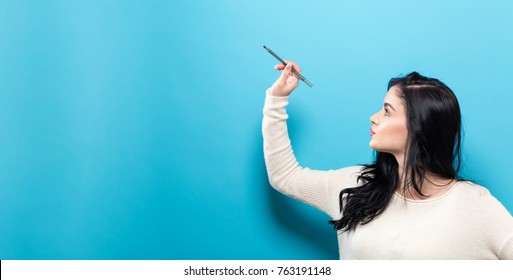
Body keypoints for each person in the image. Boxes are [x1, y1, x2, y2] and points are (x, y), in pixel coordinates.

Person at [262, 61, 513, 259]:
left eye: (386, 111)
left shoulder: (475, 207)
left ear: (419, 127)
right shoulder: (355, 187)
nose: (374, 117)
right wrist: (276, 98)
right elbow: (284, 176)